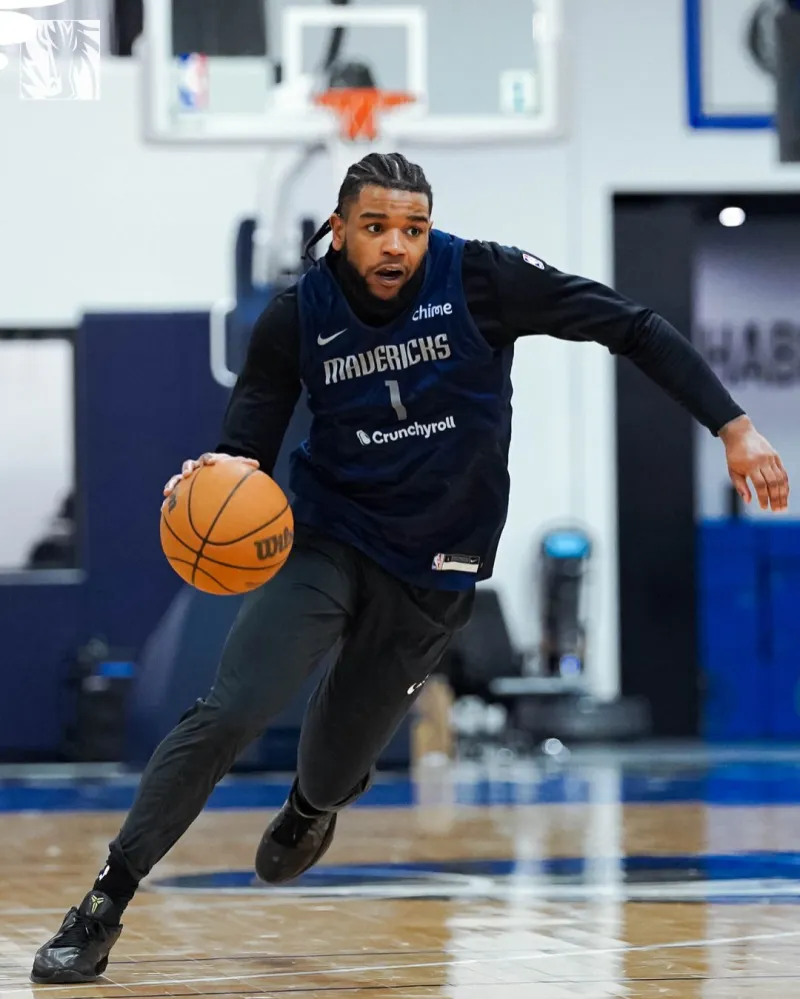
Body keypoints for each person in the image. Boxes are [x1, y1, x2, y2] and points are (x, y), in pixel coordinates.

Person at [32, 152, 789, 984]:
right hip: (330, 536)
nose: (397, 245)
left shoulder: (483, 278)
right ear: (340, 225)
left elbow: (632, 325)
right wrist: (214, 476)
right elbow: (246, 444)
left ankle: (312, 806)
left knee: (331, 764)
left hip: (436, 564)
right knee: (232, 706)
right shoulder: (297, 314)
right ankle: (103, 903)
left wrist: (733, 425)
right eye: (377, 227)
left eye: (414, 228)